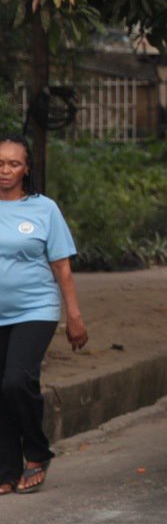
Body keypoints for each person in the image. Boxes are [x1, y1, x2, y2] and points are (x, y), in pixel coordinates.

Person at [0, 133, 87, 495]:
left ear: (27, 169)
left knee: (15, 381)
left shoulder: (44, 209)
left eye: (13, 163)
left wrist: (74, 315)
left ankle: (36, 451)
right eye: (0, 163)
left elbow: (62, 266)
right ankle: (7, 470)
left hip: (35, 308)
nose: (5, 170)